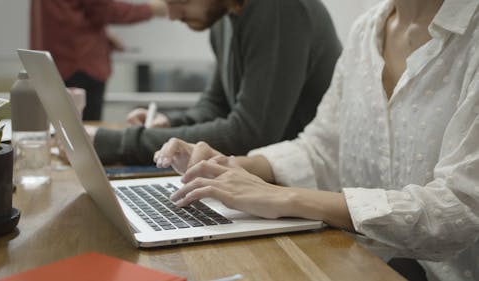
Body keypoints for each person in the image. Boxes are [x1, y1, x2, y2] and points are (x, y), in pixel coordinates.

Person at [154, 0, 479, 280]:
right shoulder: (366, 30)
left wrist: (287, 198)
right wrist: (232, 167)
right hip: (363, 260)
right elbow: (323, 147)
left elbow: (459, 207)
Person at [89, 0, 342, 165]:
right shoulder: (224, 16)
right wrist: (170, 123)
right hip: (267, 185)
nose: (172, 14)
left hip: (306, 191)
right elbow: (216, 105)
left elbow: (249, 135)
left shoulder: (278, 8)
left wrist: (117, 143)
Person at [30, 0, 167, 121]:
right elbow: (105, 9)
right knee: (81, 137)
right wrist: (151, 8)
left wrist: (103, 35)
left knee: (57, 132)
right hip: (79, 65)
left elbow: (73, 12)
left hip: (52, 63)